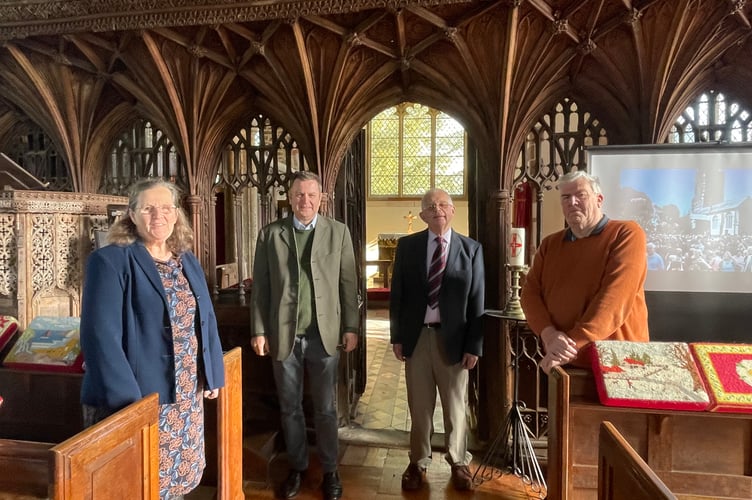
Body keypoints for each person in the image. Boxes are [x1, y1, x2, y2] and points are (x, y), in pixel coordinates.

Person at [79, 178, 225, 500]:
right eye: (148, 208)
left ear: (176, 214)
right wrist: (132, 407)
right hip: (140, 397)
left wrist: (212, 372)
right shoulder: (110, 262)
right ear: (131, 214)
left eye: (166, 208)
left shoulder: (185, 258)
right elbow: (99, 339)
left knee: (176, 482)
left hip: (187, 394)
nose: (158, 215)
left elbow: (205, 317)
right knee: (138, 483)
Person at [251, 171, 359, 500]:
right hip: (284, 334)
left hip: (324, 335)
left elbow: (348, 284)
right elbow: (262, 288)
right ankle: (297, 467)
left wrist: (351, 326)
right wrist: (258, 330)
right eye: (299, 195)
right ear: (289, 197)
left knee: (325, 408)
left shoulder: (337, 233)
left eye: (312, 195)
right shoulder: (271, 235)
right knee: (290, 408)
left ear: (321, 198)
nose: (305, 202)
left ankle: (330, 470)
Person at [389, 189, 485, 492]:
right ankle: (418, 461)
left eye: (443, 204)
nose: (437, 210)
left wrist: (474, 345)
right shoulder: (408, 247)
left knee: (456, 406)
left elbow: (477, 301)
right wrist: (397, 337)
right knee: (419, 406)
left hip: (455, 340)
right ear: (422, 215)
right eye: (430, 206)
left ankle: (458, 461)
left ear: (453, 210)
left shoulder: (471, 250)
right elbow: (398, 296)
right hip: (418, 338)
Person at [520, 170, 649, 374]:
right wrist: (549, 334)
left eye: (580, 195)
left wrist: (569, 345)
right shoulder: (550, 245)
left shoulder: (626, 234)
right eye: (565, 197)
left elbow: (614, 301)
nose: (572, 202)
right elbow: (529, 294)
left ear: (599, 199)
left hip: (618, 364)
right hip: (562, 361)